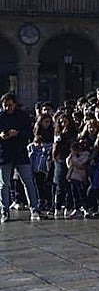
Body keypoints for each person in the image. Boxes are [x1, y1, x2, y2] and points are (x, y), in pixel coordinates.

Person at [0, 93, 41, 222]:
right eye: (5, 105)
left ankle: (34, 209)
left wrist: (17, 133)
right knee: (4, 184)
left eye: (10, 105)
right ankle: (4, 211)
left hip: (20, 153)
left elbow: (30, 133)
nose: (8, 108)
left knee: (28, 182)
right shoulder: (0, 117)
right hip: (4, 154)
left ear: (15, 104)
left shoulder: (22, 116)